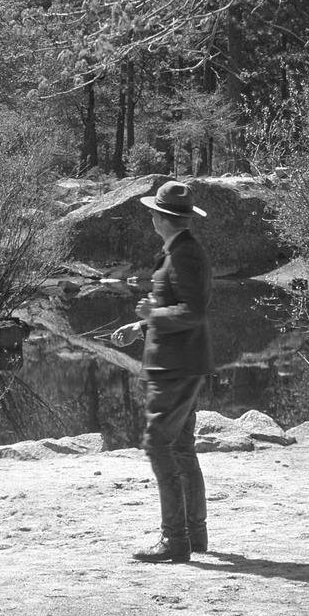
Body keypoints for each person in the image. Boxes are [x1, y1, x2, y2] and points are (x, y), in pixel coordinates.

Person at [111, 179, 215, 562]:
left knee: (158, 445)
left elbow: (193, 312)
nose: (151, 216)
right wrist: (140, 326)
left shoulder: (184, 254)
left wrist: (151, 314)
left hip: (174, 368)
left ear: (161, 218)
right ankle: (194, 534)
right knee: (182, 448)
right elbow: (182, 307)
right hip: (181, 363)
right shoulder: (181, 251)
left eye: (154, 212)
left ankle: (175, 540)